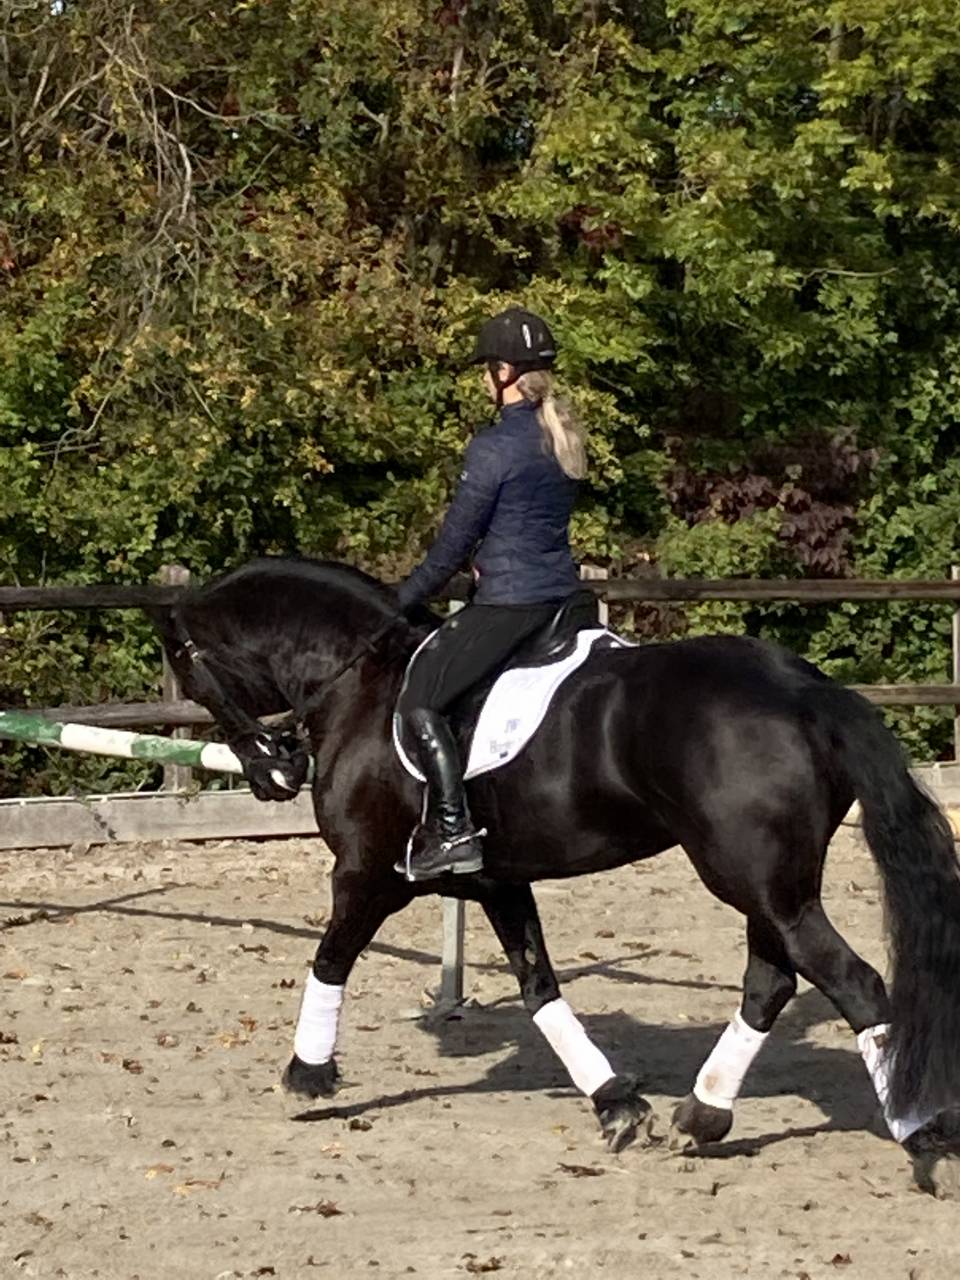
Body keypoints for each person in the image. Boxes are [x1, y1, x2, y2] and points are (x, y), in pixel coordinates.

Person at [394, 305, 592, 882]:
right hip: (564, 600)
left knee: (421, 701)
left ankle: (453, 828)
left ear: (504, 373)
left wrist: (400, 600)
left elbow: (452, 548)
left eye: (487, 369)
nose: (485, 379)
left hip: (511, 603)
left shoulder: (494, 448)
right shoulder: (560, 437)